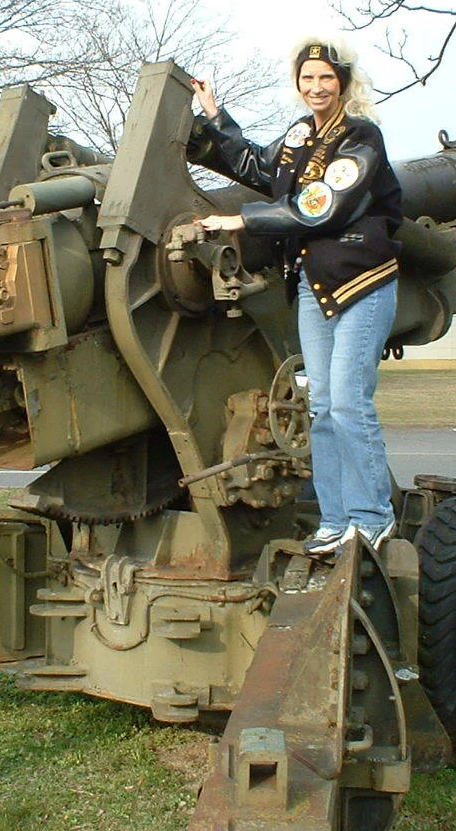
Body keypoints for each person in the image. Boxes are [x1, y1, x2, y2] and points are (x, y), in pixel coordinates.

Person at [189, 39, 403, 556]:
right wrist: (216, 118)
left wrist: (240, 219)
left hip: (361, 281)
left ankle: (372, 516)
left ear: (344, 82)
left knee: (350, 403)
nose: (316, 87)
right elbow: (263, 170)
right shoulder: (300, 135)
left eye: (326, 78)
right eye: (307, 79)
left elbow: (321, 204)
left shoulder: (361, 138)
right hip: (313, 285)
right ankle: (334, 520)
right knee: (324, 408)